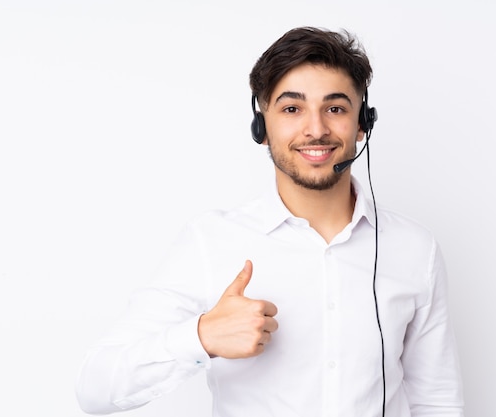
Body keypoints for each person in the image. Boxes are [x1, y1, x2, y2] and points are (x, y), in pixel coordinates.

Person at [76, 26, 464, 417]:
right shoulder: (211, 241)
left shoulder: (415, 249)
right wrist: (201, 336)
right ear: (261, 127)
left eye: (335, 108)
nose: (316, 129)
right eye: (292, 109)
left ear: (363, 122)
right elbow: (95, 389)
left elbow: (436, 400)